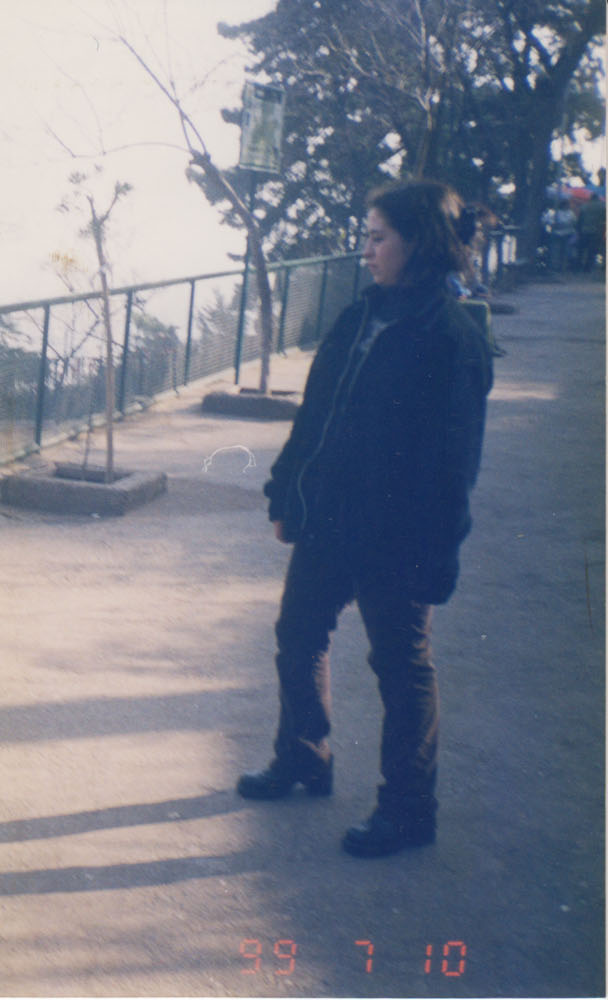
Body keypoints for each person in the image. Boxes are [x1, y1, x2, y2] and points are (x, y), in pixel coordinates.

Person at [237, 179, 493, 858]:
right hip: (329, 521)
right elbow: (315, 416)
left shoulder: (452, 338)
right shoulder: (360, 317)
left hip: (396, 538)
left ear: (420, 243)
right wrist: (287, 495)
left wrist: (435, 556)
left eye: (378, 237)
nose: (366, 250)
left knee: (402, 668)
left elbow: (454, 468)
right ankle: (303, 757)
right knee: (298, 633)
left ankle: (409, 810)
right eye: (366, 236)